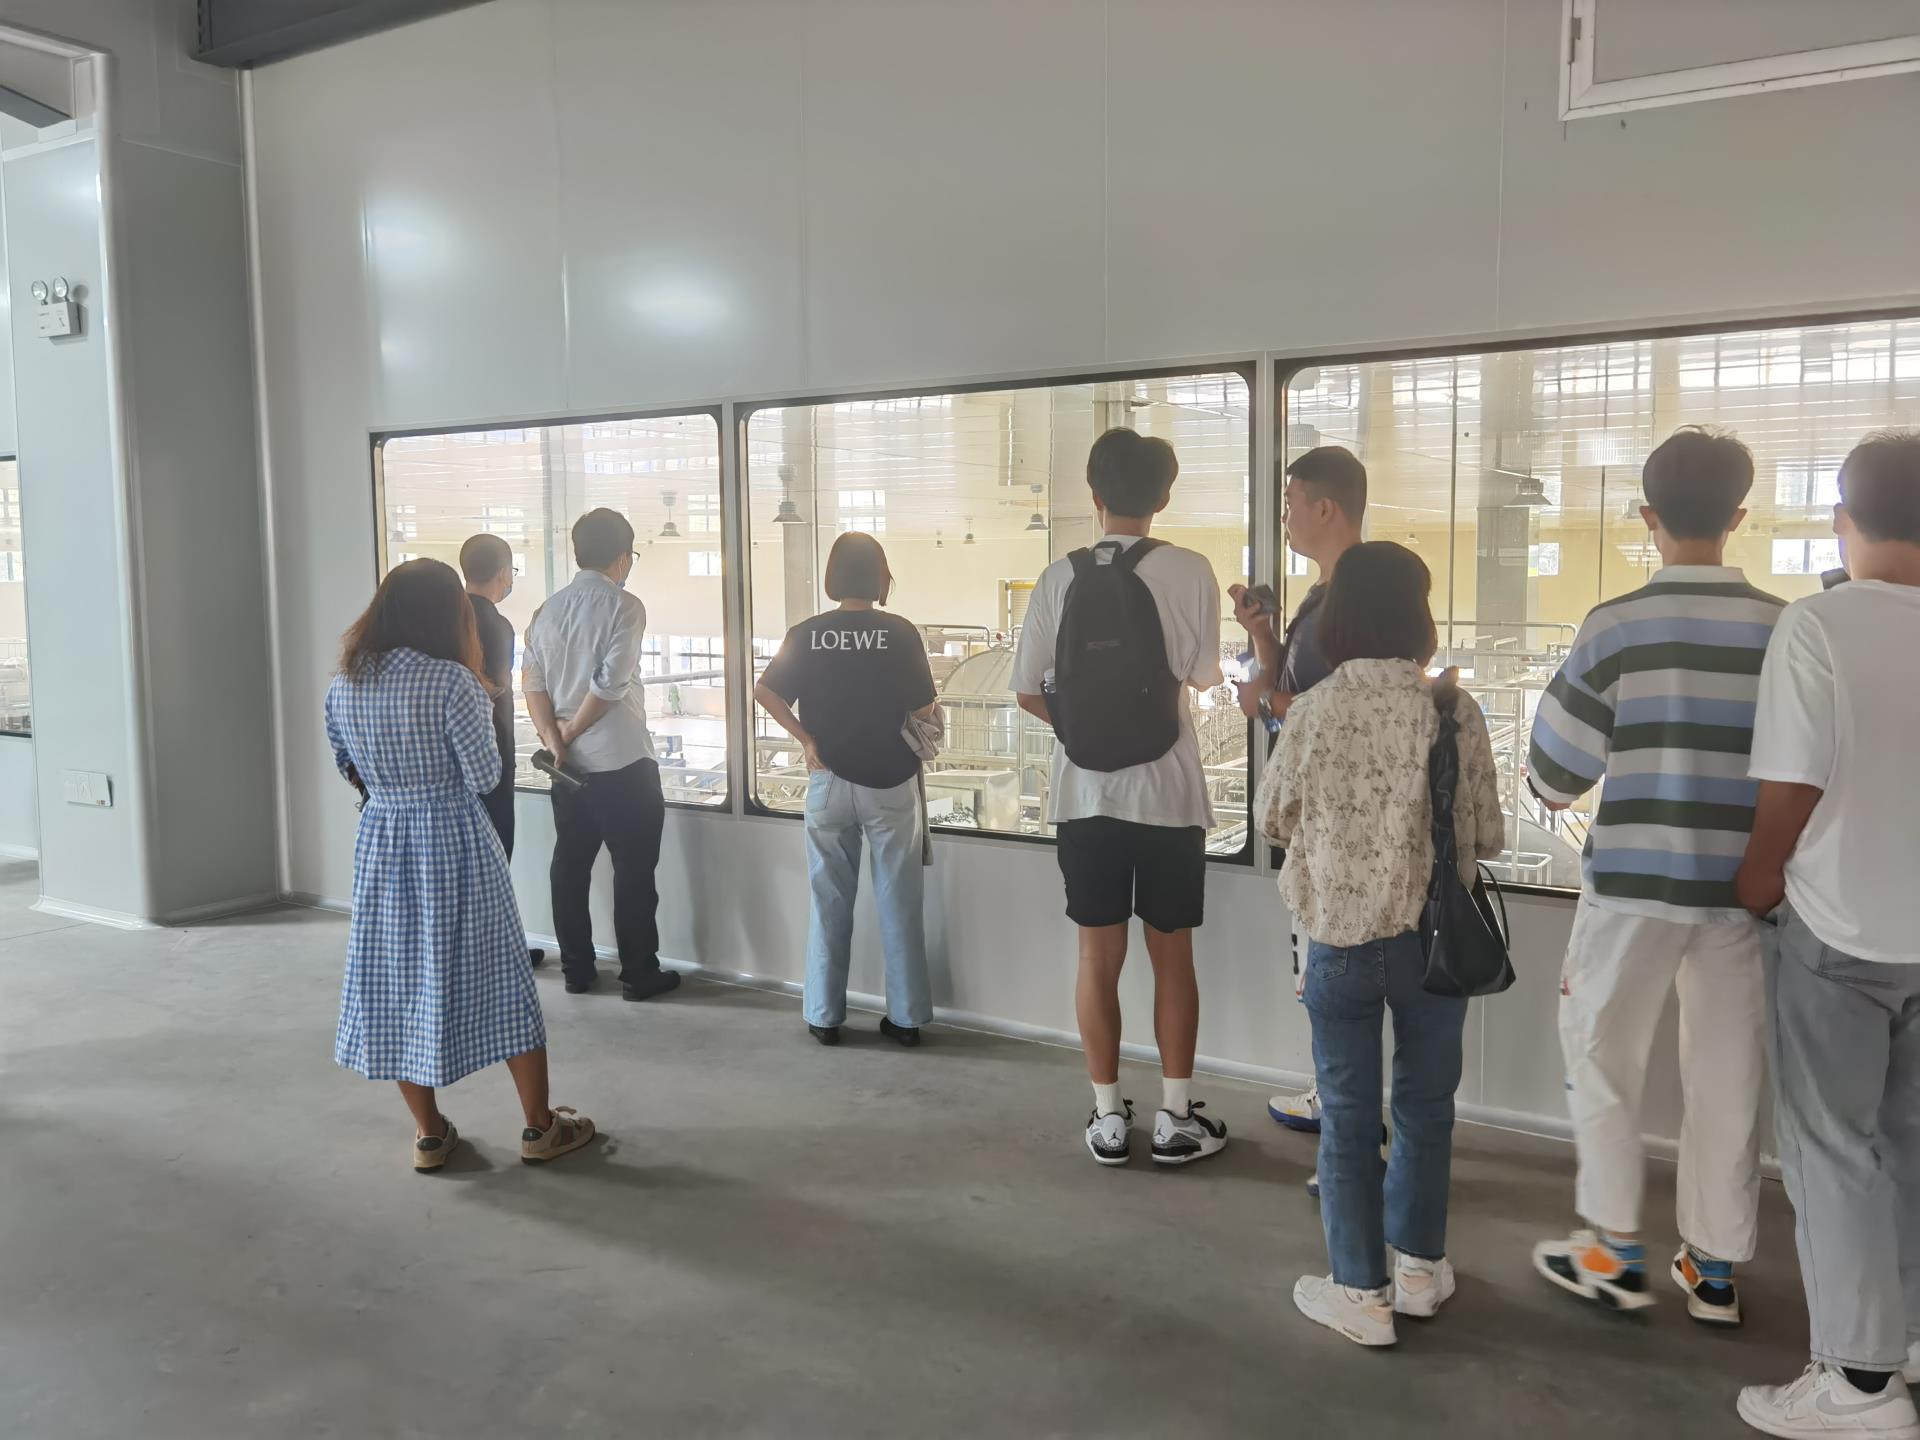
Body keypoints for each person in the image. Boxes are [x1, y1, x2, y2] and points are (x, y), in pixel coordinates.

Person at [1527, 427, 1782, 1327]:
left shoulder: (1615, 626)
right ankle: (1712, 1270)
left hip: (1631, 889)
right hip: (1743, 894)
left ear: (1648, 516)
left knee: (1602, 1059)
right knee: (1728, 1075)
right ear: (1738, 517)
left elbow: (1555, 774)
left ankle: (1610, 1251)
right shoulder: (1784, 629)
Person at [1255, 541, 1504, 1347]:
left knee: (1349, 1116)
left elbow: (1272, 820)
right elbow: (1487, 834)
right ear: (1419, 617)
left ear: (1341, 620)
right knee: (1426, 1109)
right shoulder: (1454, 710)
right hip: (1436, 946)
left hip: (1339, 942)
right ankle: (1421, 1273)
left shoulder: (1314, 709)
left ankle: (1360, 1292)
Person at [1734, 431, 1920, 1438]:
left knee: (1834, 1151)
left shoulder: (1819, 626)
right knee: (1909, 1140)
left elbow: (1792, 783)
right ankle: (1907, 1336)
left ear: (1845, 519)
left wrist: (1758, 878)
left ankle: (1857, 1382)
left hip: (1838, 929)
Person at [324, 559, 597, 1171]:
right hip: (452, 839)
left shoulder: (345, 684)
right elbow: (483, 775)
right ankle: (540, 1127)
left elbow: (347, 766)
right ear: (449, 614)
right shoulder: (452, 682)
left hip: (383, 842)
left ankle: (430, 1135)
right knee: (499, 974)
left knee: (394, 978)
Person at [1012, 427, 1229, 1168]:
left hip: (1084, 795)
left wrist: (1083, 728)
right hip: (1169, 795)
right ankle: (1176, 1119)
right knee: (1173, 960)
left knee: (1095, 959)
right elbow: (1204, 678)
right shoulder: (1191, 570)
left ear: (1093, 494)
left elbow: (1025, 691)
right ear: (1163, 497)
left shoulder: (1058, 577)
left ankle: (1108, 1119)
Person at [1233, 445, 1368, 1170]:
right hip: (1314, 809)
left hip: (1340, 816)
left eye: (1290, 503)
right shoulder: (1321, 599)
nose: (1284, 517)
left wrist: (1266, 702)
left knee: (1332, 966)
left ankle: (1345, 1120)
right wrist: (1263, 638)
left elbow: (1343, 710)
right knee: (1317, 961)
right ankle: (1333, 1095)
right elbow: (1287, 690)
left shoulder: (1359, 598)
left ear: (1325, 507)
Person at [754, 532, 939, 1047]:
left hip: (828, 779)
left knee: (828, 899)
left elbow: (764, 691)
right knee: (899, 902)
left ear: (833, 576)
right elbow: (924, 708)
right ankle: (906, 1020)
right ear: (881, 577)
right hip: (890, 781)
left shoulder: (807, 633)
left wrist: (806, 739)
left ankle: (823, 1015)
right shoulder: (899, 632)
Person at [523, 508, 680, 1002]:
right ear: (622, 558)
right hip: (623, 763)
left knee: (569, 867)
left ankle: (576, 969)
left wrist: (555, 740)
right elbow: (611, 683)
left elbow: (531, 682)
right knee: (633, 872)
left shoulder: (547, 610)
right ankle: (638, 973)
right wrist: (569, 731)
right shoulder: (625, 606)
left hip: (567, 769)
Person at [461, 532, 543, 969]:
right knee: (494, 857)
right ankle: (496, 953)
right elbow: (496, 688)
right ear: (502, 572)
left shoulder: (444, 618)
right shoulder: (495, 626)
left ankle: (479, 949)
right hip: (490, 756)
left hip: (454, 762)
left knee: (461, 864)